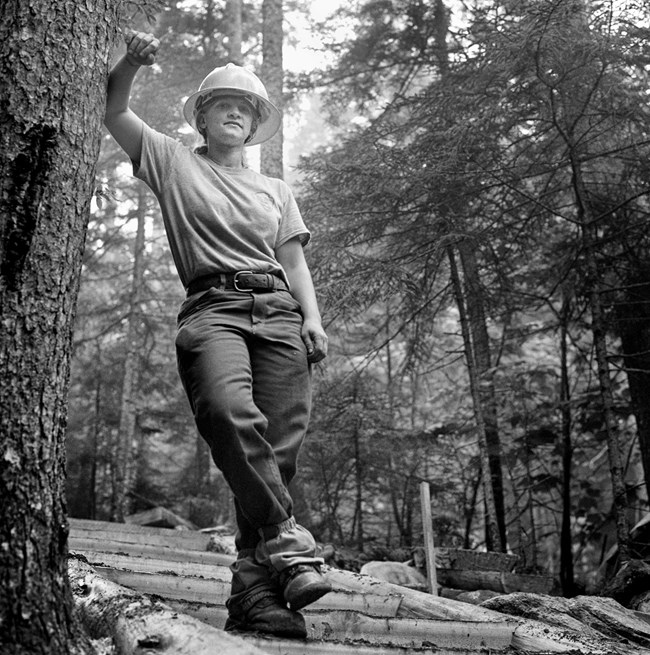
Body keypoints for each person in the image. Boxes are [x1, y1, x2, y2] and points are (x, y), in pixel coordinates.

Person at [104, 30, 331, 639]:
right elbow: (114, 111)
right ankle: (288, 543)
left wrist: (312, 316)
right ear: (201, 116)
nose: (235, 110)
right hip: (214, 308)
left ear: (255, 123)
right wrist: (129, 64)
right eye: (223, 102)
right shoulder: (174, 161)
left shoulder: (275, 190)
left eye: (247, 106)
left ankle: (254, 598)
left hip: (280, 311)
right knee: (230, 414)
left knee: (278, 453)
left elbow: (295, 260)